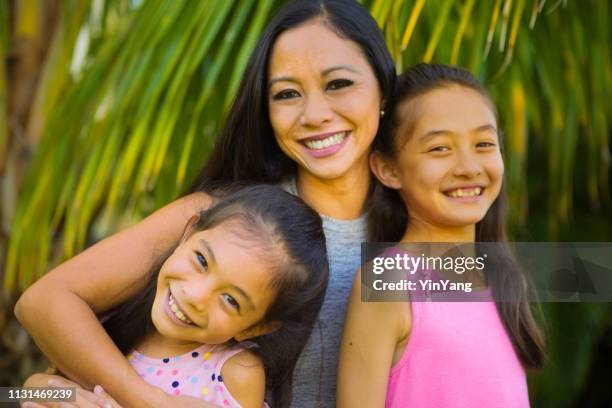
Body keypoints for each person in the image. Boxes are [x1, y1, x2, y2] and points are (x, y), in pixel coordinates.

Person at [15, 1, 396, 406]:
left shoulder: (426, 232)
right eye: (286, 93)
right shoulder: (227, 218)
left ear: (384, 89)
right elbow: (44, 302)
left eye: (338, 83)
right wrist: (135, 400)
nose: (315, 114)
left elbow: (469, 357)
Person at [337, 63, 545, 407]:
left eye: (483, 144)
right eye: (440, 148)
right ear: (388, 169)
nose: (468, 167)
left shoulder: (504, 278)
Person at [27, 185, 329, 408]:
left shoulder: (234, 374)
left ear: (255, 327)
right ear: (187, 234)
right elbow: (16, 394)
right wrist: (40, 389)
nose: (196, 296)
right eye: (201, 261)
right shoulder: (109, 317)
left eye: (231, 300)